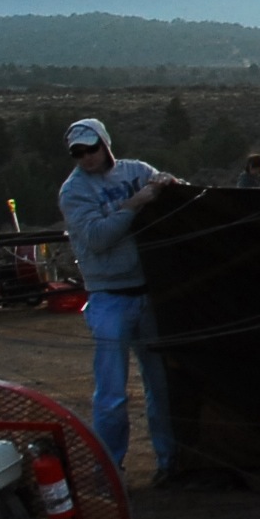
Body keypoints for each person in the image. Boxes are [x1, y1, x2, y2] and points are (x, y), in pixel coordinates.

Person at [56, 117, 187, 482]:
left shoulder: (136, 171)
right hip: (109, 297)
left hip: (147, 291)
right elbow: (97, 237)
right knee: (112, 392)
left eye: (91, 149)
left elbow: (170, 191)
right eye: (78, 153)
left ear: (105, 143)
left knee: (161, 385)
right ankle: (110, 469)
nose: (86, 157)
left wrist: (167, 183)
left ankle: (169, 461)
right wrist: (134, 204)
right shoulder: (74, 191)